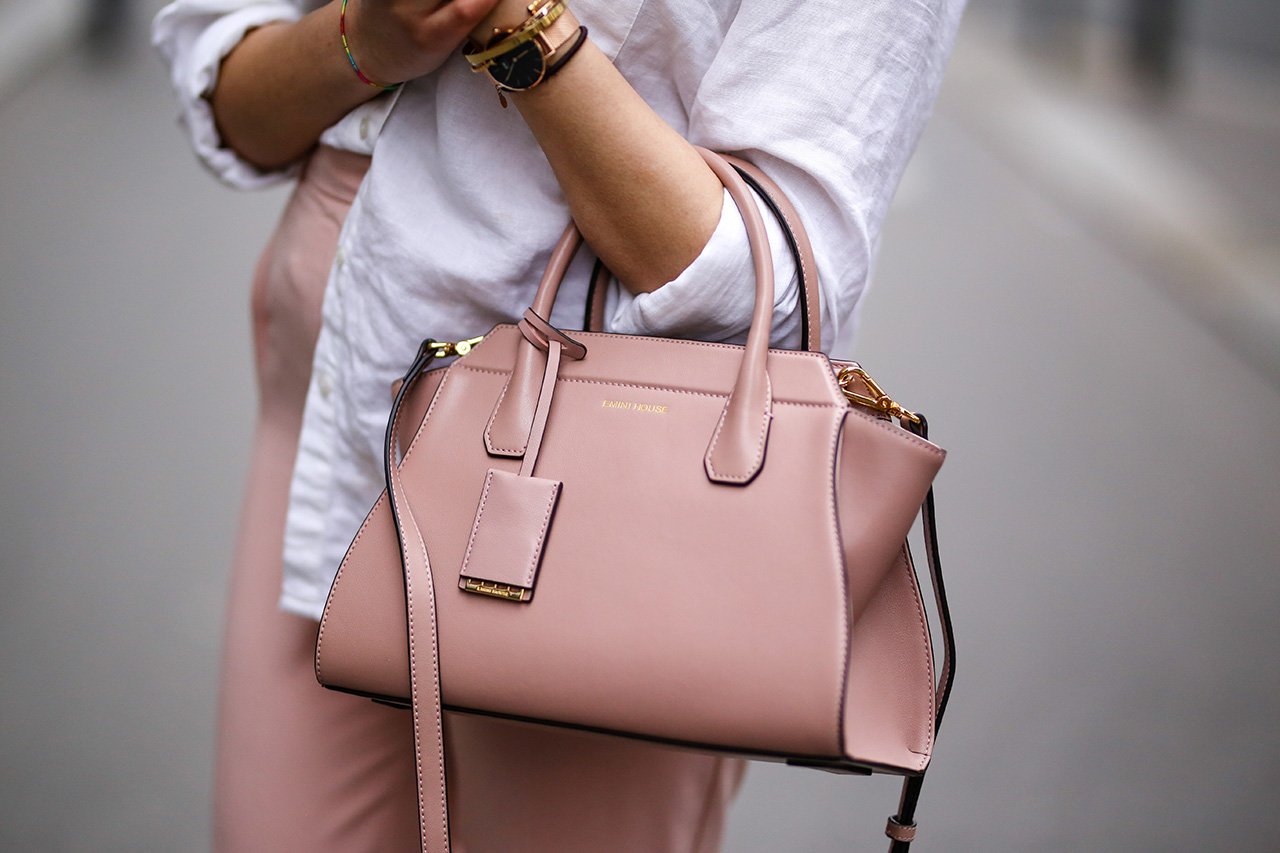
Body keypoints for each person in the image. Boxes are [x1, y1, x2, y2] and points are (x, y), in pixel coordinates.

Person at [153, 0, 965, 848]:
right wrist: (366, 37)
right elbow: (225, 94)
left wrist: (515, 26)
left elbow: (771, 289)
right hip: (332, 423)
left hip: (614, 504)